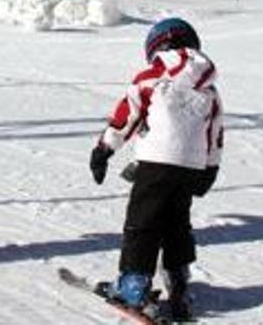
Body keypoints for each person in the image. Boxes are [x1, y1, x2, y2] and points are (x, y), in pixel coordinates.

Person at [89, 17, 224, 321]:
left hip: (156, 162)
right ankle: (179, 285)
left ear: (156, 48)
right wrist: (209, 169)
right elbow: (215, 134)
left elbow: (128, 116)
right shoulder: (210, 89)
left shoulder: (150, 77)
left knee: (143, 222)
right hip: (190, 166)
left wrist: (104, 148)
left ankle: (134, 285)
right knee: (177, 224)